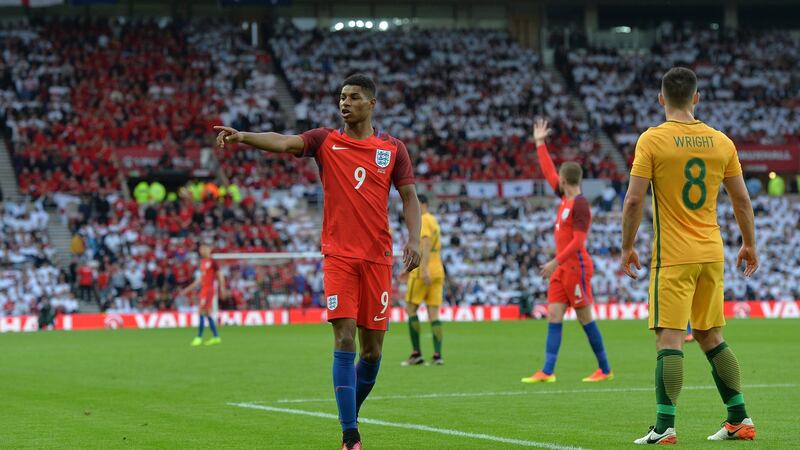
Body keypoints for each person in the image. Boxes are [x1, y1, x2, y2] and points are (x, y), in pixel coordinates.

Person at [214, 73, 421, 450]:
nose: (345, 103)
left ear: (371, 104)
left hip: (377, 259)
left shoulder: (393, 149)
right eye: (342, 96)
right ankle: (350, 436)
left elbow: (409, 197)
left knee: (373, 352)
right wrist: (243, 136)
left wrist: (413, 238)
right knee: (344, 338)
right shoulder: (325, 140)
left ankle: (348, 414)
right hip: (339, 256)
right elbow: (284, 142)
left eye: (354, 97)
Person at [622, 67, 758, 445]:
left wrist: (626, 245)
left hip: (674, 254)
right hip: (711, 252)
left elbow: (634, 199)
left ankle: (665, 426)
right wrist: (749, 243)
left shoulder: (652, 140)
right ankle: (739, 418)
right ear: (696, 98)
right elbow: (742, 200)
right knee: (710, 335)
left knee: (669, 337)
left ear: (662, 98)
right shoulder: (721, 142)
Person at [521, 119, 613, 384]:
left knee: (584, 318)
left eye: (558, 177)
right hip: (562, 268)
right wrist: (540, 143)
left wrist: (554, 261)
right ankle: (548, 371)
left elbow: (579, 242)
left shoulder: (580, 206)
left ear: (565, 179)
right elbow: (548, 171)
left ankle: (605, 368)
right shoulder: (565, 199)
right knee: (553, 314)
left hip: (576, 267)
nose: (555, 179)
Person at [401, 194, 445, 366]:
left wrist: (423, 268)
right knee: (433, 313)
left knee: (411, 309)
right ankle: (437, 355)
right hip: (438, 270)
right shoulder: (434, 220)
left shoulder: (424, 219)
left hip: (423, 271)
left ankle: (416, 353)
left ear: (422, 204)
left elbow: (425, 243)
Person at [180, 244, 225, 346]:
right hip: (204, 289)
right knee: (207, 313)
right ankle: (216, 337)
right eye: (201, 249)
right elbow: (200, 279)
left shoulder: (213, 262)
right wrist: (187, 289)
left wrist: (222, 288)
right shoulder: (203, 262)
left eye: (204, 249)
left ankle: (199, 337)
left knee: (201, 312)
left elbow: (220, 275)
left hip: (209, 290)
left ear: (209, 249)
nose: (202, 251)